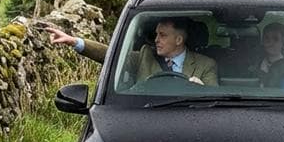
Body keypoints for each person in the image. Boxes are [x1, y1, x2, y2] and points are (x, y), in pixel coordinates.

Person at [46, 19, 218, 86]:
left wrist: (200, 90)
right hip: (145, 118)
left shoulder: (205, 65)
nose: (156, 39)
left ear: (179, 40)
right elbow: (112, 56)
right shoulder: (145, 55)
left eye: (163, 35)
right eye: (156, 34)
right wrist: (75, 42)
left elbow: (216, 102)